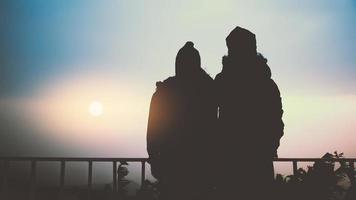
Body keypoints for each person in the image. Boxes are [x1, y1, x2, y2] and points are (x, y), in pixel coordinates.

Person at [215, 26, 284, 199]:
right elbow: (276, 120)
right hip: (255, 159)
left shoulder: (223, 81)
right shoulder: (266, 83)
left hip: (229, 159)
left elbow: (208, 117)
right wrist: (269, 145)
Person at [147, 42, 217, 200]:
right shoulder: (208, 91)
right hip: (201, 168)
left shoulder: (163, 92)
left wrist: (155, 159)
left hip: (171, 167)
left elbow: (153, 131)